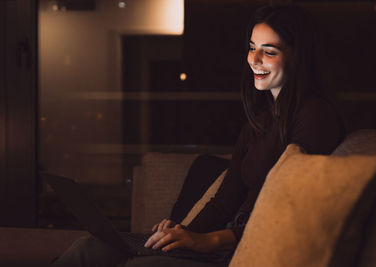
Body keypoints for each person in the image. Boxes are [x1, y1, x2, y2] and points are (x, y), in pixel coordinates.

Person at [52, 4, 344, 267]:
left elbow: (292, 212)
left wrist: (208, 241)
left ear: (297, 57)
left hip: (250, 247)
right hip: (223, 240)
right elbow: (224, 201)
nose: (254, 59)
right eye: (252, 47)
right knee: (88, 247)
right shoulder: (260, 122)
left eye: (269, 51)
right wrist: (183, 233)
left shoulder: (316, 117)